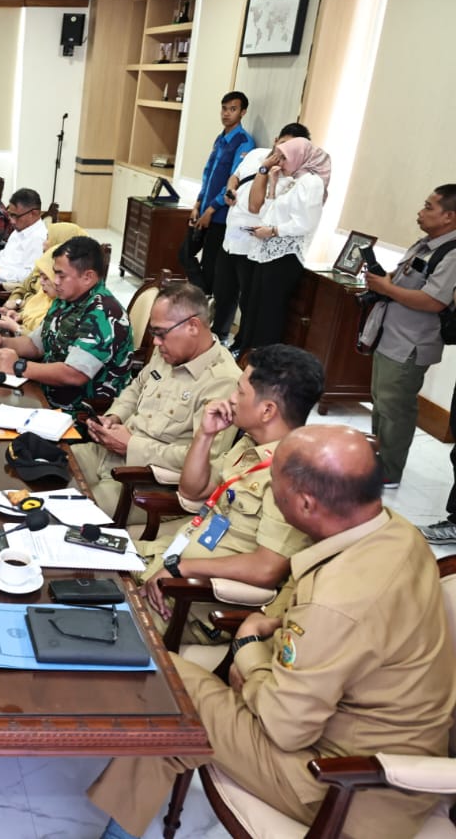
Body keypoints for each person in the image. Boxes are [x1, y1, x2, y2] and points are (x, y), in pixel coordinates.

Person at [91, 425, 455, 839]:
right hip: (371, 747)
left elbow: (285, 728)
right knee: (179, 702)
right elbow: (316, 616)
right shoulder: (394, 532)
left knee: (169, 688)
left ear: (304, 502)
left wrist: (249, 652)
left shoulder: (336, 602)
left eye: (275, 483)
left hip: (345, 783)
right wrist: (268, 630)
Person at [136, 344, 323, 640]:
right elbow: (193, 490)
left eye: (240, 392)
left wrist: (181, 569)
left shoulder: (293, 476)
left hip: (191, 603)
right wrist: (205, 434)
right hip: (168, 562)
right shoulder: (250, 444)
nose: (231, 399)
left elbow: (266, 569)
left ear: (267, 410)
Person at [73, 283, 241, 518]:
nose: (156, 342)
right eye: (154, 333)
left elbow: (204, 462)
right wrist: (114, 417)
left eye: (161, 333)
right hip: (107, 454)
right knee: (43, 467)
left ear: (193, 326)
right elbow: (136, 387)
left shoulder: (223, 382)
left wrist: (132, 445)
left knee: (69, 513)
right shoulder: (170, 352)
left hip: (148, 484)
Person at [363, 185, 456, 491]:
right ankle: (376, 458)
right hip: (391, 334)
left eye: (429, 207)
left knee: (396, 407)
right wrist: (383, 280)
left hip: (411, 343)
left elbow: (434, 301)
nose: (420, 212)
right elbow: (405, 278)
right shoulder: (426, 244)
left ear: (449, 216)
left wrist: (387, 288)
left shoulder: (452, 253)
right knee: (381, 401)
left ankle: (389, 471)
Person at [0, 236, 133, 411]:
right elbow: (35, 345)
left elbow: (74, 374)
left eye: (61, 275)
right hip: (44, 393)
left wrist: (19, 366)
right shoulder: (66, 300)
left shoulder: (104, 313)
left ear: (88, 277)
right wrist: (2, 343)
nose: (55, 281)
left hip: (79, 411)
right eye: (55, 273)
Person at [216, 122, 311, 345]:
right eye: (282, 144)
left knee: (248, 302)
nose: (283, 153)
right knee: (222, 292)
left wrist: (265, 169)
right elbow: (235, 176)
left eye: (291, 149)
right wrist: (230, 189)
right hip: (230, 237)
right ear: (276, 140)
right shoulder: (255, 154)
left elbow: (255, 206)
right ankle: (218, 336)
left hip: (251, 246)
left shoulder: (288, 175)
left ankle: (242, 346)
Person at [234, 137, 331, 352]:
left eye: (284, 158)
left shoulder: (311, 182)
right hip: (267, 253)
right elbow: (267, 213)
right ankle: (247, 356)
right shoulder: (293, 180)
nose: (280, 162)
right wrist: (272, 185)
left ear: (299, 157)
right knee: (254, 307)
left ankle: (262, 361)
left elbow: (306, 223)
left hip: (285, 257)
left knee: (269, 312)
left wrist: (273, 231)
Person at [189, 91, 255, 296]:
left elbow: (233, 183)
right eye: (224, 109)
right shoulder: (221, 138)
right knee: (185, 253)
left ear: (243, 112)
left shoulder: (244, 142)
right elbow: (208, 174)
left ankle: (204, 301)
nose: (226, 113)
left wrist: (211, 210)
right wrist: (198, 204)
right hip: (204, 210)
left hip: (221, 216)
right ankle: (202, 296)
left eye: (232, 109)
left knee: (210, 265)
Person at [0, 221, 91, 336]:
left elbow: (43, 341)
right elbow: (24, 288)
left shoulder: (60, 291)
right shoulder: (45, 265)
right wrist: (16, 310)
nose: (44, 243)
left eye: (48, 238)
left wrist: (17, 327)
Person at [0, 188, 47, 287]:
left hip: (1, 289)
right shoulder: (20, 229)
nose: (12, 221)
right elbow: (6, 254)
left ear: (34, 213)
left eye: (16, 216)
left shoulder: (38, 238)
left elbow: (30, 276)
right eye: (10, 215)